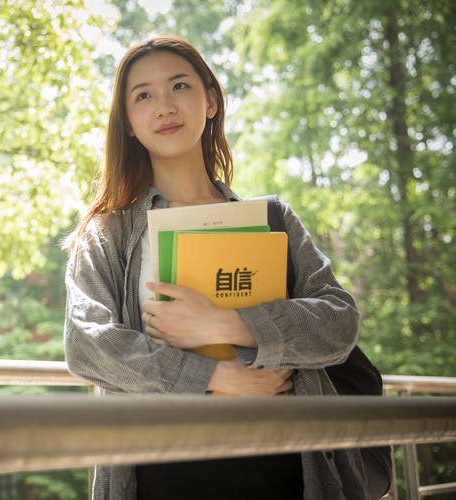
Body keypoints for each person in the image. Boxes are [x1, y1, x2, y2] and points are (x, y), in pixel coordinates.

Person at [63, 35, 369, 499]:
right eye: (143, 95)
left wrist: (226, 322)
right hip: (164, 470)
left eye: (179, 86)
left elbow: (340, 322)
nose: (163, 106)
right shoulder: (109, 233)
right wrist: (211, 378)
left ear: (209, 101)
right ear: (127, 122)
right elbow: (87, 345)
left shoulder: (273, 219)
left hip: (286, 461)